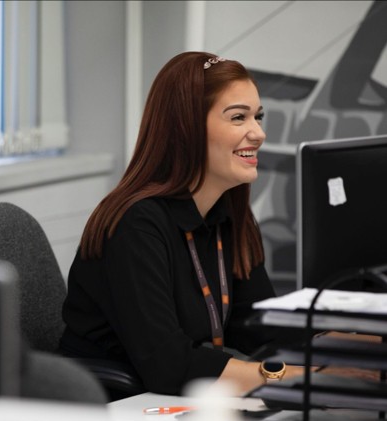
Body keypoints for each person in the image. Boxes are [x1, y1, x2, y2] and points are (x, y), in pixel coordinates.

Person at [59, 51, 305, 397]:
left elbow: (257, 328)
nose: (258, 133)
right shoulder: (135, 225)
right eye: (239, 118)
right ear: (186, 128)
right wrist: (290, 376)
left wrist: (341, 343)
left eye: (258, 117)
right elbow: (169, 367)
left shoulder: (228, 214)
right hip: (113, 403)